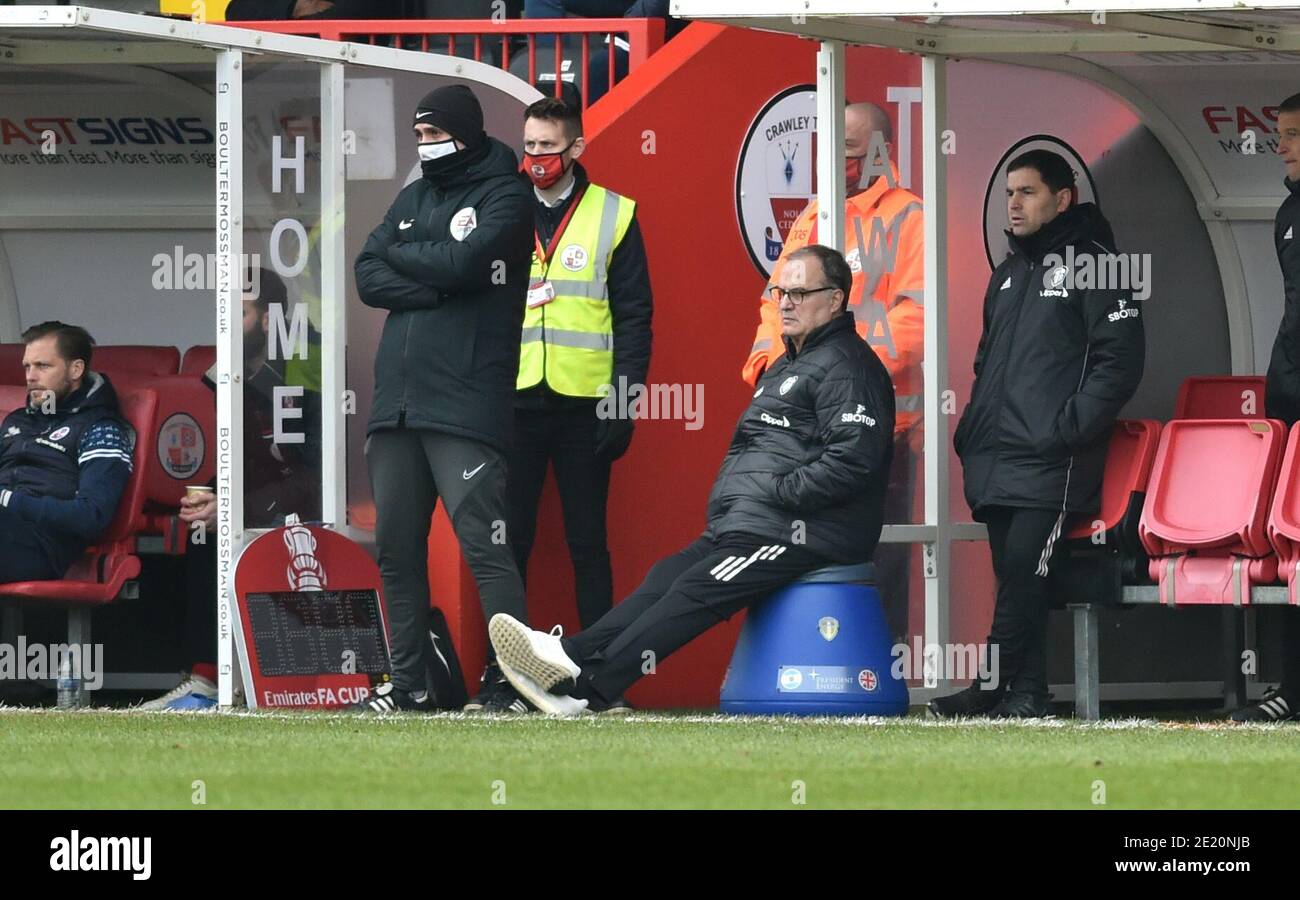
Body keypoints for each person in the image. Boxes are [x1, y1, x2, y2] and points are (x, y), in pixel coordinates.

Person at [487, 245, 895, 715]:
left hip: (807, 529)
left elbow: (853, 461)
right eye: (781, 290)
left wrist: (779, 494)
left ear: (837, 299)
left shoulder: (850, 365)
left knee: (694, 591)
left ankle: (586, 691)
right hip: (755, 521)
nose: (785, 302)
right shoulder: (789, 362)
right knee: (666, 575)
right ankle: (570, 656)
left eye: (800, 293)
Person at [930, 149, 1145, 720]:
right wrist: (973, 429)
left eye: (1027, 192)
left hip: (1053, 459)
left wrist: (1068, 428)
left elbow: (1120, 359)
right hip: (998, 457)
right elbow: (984, 363)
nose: (1015, 204)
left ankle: (989, 686)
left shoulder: (1097, 263)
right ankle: (1026, 697)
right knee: (1017, 578)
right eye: (1008, 193)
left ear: (1062, 198)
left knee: (1025, 572)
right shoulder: (1008, 272)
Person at [353, 84, 534, 714]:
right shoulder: (413, 195)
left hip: (464, 399)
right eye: (419, 137)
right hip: (396, 403)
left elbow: (468, 263)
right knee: (398, 553)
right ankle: (410, 687)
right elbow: (366, 273)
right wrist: (433, 283)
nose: (426, 147)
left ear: (465, 132)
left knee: (486, 545)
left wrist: (412, 262)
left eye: (435, 135)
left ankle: (514, 685)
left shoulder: (507, 192)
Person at [742, 101, 923, 641]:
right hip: (798, 427)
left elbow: (915, 317)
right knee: (788, 548)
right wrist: (769, 374)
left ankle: (875, 672)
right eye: (831, 148)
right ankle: (803, 664)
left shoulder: (910, 216)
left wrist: (829, 374)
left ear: (881, 152)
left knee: (879, 558)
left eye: (848, 150)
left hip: (878, 430)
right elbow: (775, 304)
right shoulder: (816, 215)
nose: (835, 161)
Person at [505, 96, 651, 712]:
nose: (537, 157)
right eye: (530, 145)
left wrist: (624, 401)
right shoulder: (502, 208)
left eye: (549, 146)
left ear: (576, 147)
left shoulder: (613, 214)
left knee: (587, 544)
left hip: (585, 403)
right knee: (508, 542)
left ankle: (600, 683)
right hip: (512, 404)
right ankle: (503, 680)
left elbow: (636, 318)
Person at [139, 268, 322, 711]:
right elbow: (240, 457)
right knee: (201, 529)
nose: (225, 326)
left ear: (267, 319)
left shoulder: (312, 365)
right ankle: (205, 678)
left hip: (319, 510)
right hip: (260, 501)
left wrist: (237, 506)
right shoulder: (227, 374)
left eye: (237, 314)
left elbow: (320, 474)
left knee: (224, 526)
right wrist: (215, 499)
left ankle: (258, 679)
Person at [1232, 92, 1300, 722]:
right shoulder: (1286, 211)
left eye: (1295, 134)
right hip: (1291, 404)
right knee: (1287, 543)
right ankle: (1290, 689)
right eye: (1280, 132)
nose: (1282, 144)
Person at [0, 323, 133, 585]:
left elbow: (91, 516)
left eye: (43, 366)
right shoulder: (17, 421)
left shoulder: (101, 427)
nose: (30, 376)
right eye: (27, 366)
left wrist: (9, 500)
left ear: (76, 369)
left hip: (42, 546)